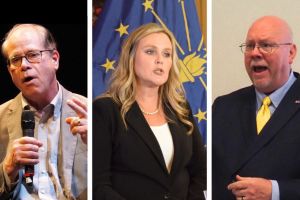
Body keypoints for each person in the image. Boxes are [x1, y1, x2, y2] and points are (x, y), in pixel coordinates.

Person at [93, 23, 206, 200]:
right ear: (131, 57)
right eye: (150, 51)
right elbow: (98, 185)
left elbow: (200, 171)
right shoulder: (106, 110)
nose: (160, 59)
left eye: (167, 54)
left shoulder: (181, 108)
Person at [212, 15, 300, 200]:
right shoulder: (223, 107)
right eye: (250, 46)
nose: (255, 53)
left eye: (266, 45)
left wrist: (275, 191)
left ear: (291, 53)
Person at [0, 24, 87, 199]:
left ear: (55, 59)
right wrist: (8, 169)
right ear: (10, 71)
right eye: (16, 59)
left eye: (32, 55)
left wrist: (96, 146)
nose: (24, 65)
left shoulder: (89, 112)